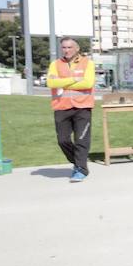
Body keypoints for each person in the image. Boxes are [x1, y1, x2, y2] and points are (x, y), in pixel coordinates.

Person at [47, 36, 95, 182]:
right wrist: (74, 79)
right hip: (61, 107)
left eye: (69, 47)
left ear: (77, 48)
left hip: (83, 106)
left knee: (81, 139)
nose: (66, 50)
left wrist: (62, 83)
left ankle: (81, 169)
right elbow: (50, 82)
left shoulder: (88, 63)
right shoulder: (55, 64)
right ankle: (78, 163)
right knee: (62, 140)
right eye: (64, 47)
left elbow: (88, 83)